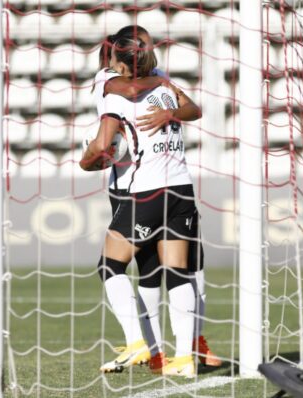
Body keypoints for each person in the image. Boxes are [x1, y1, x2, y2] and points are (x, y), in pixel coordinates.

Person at [91, 26, 221, 374]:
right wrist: (165, 94)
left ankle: (139, 344)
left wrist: (171, 112)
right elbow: (182, 102)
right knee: (173, 272)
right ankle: (181, 359)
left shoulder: (118, 88)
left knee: (111, 266)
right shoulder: (157, 80)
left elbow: (105, 143)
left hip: (146, 191)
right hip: (181, 189)